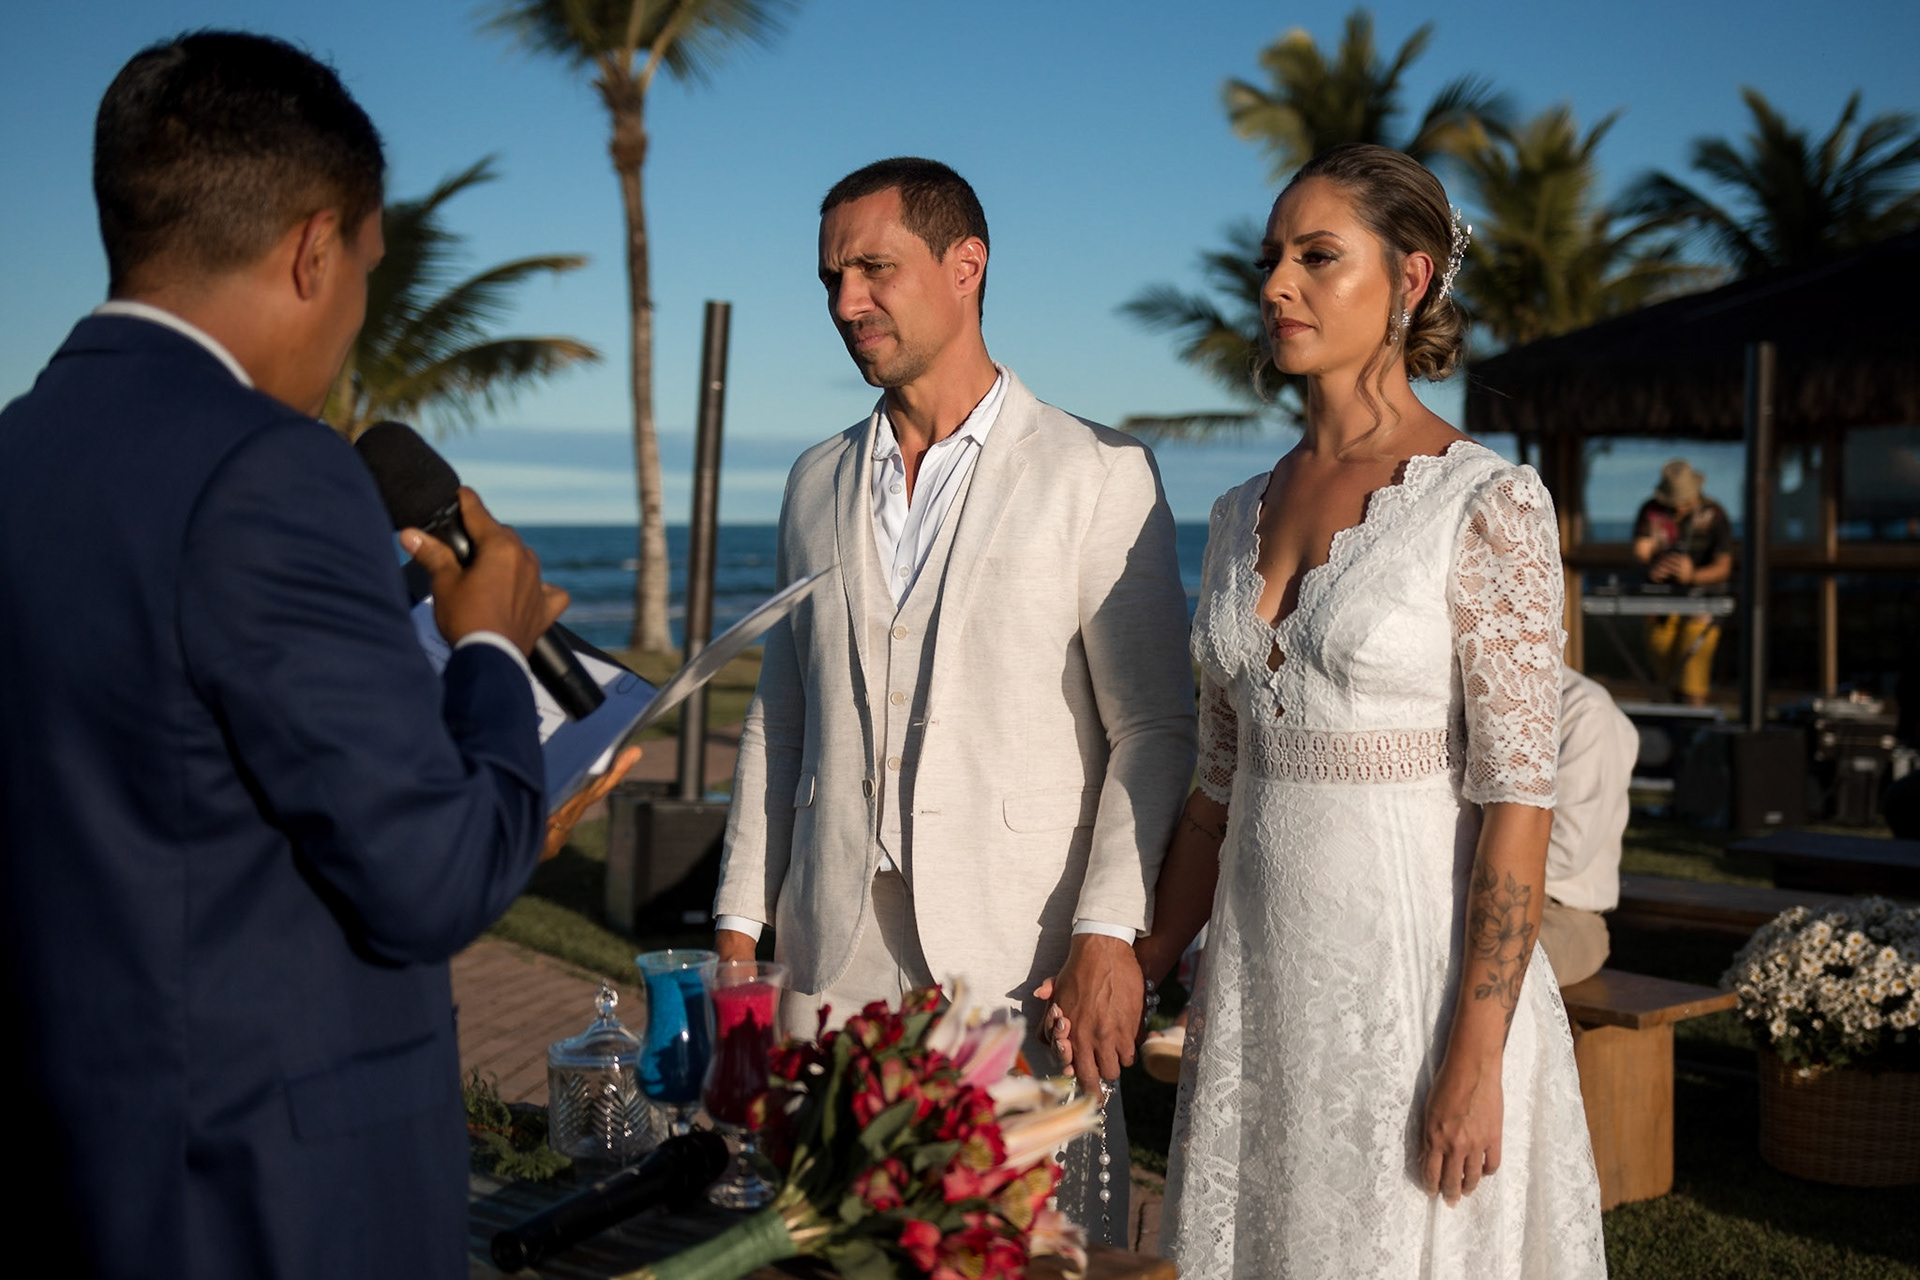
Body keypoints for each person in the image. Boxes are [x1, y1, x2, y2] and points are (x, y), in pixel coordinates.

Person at [0, 33, 624, 1280]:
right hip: (270, 1200)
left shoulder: (22, 452)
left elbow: (160, 811)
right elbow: (432, 880)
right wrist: (490, 647)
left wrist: (489, 809)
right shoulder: (272, 471)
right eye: (365, 274)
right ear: (312, 248)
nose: (353, 318)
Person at [1135, 144, 1605, 1277]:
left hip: (1419, 992)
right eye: (1271, 259)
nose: (1276, 286)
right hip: (1260, 988)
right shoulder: (1239, 507)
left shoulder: (1487, 502)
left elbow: (1515, 804)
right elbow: (1215, 787)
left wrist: (1475, 1059)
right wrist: (1138, 959)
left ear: (1413, 278)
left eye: (1316, 257)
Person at [712, 157, 1196, 1242]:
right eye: (832, 276)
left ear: (966, 265)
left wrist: (1109, 929)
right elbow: (782, 708)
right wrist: (741, 923)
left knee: (1030, 1246)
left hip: (1017, 955)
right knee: (823, 1242)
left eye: (875, 269)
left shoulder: (1096, 471)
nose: (846, 303)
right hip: (828, 949)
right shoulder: (811, 479)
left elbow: (1156, 728)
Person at [1541, 666, 1638, 988]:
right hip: (1468, 896)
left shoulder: (1583, 707)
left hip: (1561, 912)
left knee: (1472, 967)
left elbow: (1567, 850)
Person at [1632, 459, 1734, 706]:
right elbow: (1640, 551)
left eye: (1686, 502)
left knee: (1693, 675)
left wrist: (1693, 576)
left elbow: (1724, 567)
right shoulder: (1651, 510)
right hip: (1660, 607)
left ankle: (1693, 734)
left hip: (1702, 607)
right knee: (1662, 677)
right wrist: (1654, 568)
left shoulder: (1714, 514)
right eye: (1675, 503)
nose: (1680, 509)